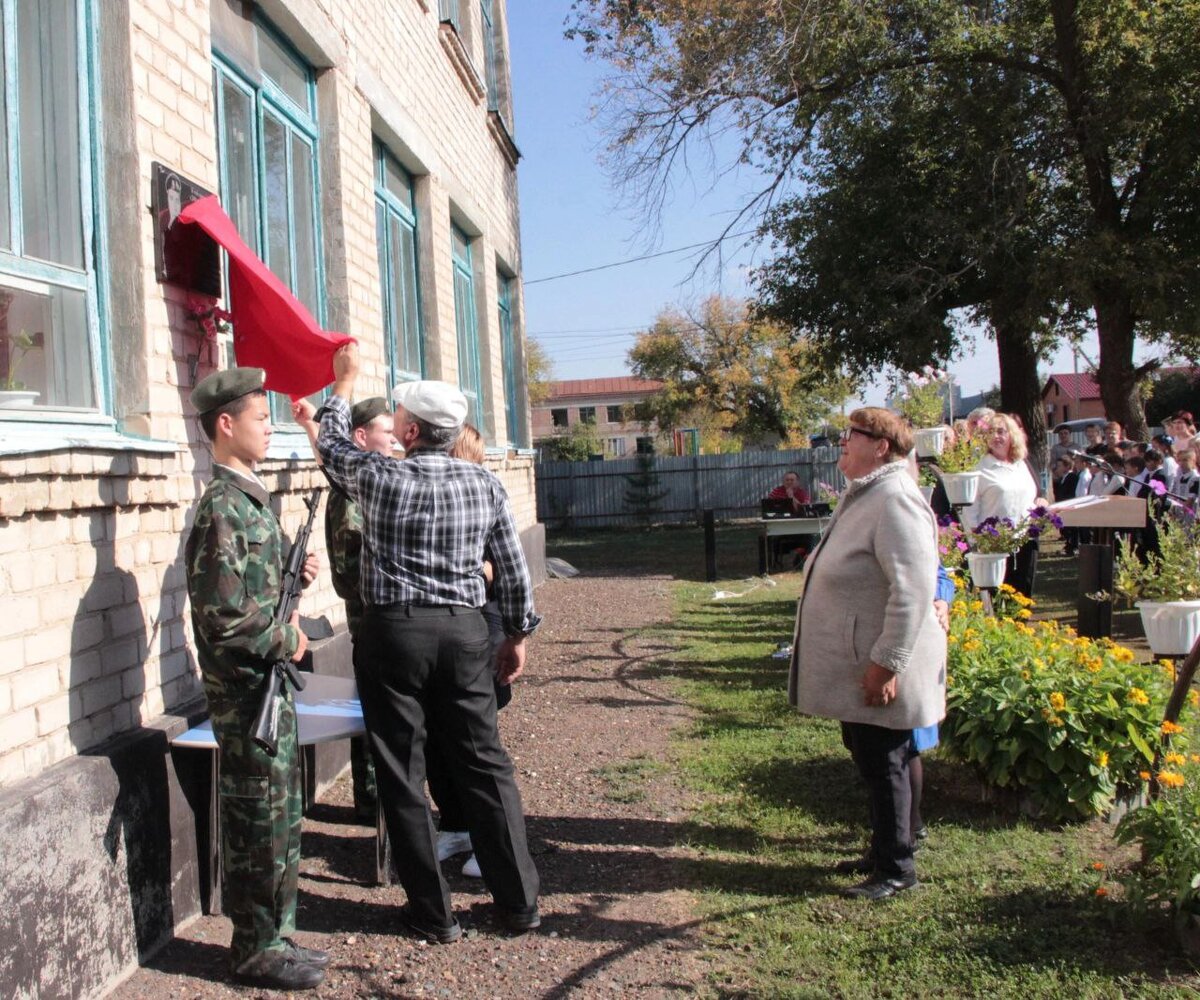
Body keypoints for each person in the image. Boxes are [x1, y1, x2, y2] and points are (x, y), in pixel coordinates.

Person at [316, 342, 541, 942]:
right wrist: (516, 635)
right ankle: (518, 903)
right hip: (466, 631)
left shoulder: (381, 476)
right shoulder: (486, 486)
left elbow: (332, 447)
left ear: (410, 431)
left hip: (394, 633)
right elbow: (513, 570)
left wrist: (343, 385)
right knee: (485, 763)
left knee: (400, 768)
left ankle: (433, 913)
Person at [184, 368, 327, 990]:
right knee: (256, 824)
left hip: (264, 691)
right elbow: (223, 619)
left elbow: (253, 592)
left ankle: (275, 935)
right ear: (226, 424)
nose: (270, 428)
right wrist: (287, 637)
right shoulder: (221, 508)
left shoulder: (247, 499)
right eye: (261, 418)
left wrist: (295, 578)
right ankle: (253, 951)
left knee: (279, 818)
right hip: (246, 696)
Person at [789, 408, 946, 901]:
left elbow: (913, 591)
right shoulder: (870, 492)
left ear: (880, 445)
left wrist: (888, 663)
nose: (841, 443)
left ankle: (897, 869)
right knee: (873, 757)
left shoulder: (896, 499)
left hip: (880, 662)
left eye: (849, 436)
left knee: (887, 762)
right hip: (863, 659)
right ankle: (885, 849)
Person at [294, 395, 395, 823]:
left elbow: (330, 463)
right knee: (376, 707)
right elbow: (350, 574)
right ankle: (372, 800)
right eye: (385, 433)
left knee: (379, 705)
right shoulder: (352, 498)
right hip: (371, 621)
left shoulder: (362, 482)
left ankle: (374, 797)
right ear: (360, 436)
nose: (393, 441)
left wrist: (311, 428)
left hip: (379, 623)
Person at [426, 423, 513, 880]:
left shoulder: (483, 496)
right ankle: (455, 825)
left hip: (481, 626)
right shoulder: (430, 496)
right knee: (438, 742)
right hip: (443, 632)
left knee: (477, 743)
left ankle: (487, 838)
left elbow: (502, 569)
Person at [963, 413, 1041, 595]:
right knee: (996, 598)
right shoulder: (979, 467)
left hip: (1025, 540)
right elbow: (969, 509)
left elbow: (1030, 496)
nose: (995, 437)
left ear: (1012, 435)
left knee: (1022, 594)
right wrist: (977, 542)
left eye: (1001, 432)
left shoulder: (1021, 464)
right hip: (993, 544)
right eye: (990, 432)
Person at [766, 471, 813, 568]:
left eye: (792, 480)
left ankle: (805, 561)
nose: (789, 482)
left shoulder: (802, 493)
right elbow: (767, 507)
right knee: (768, 537)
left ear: (797, 482)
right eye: (787, 480)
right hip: (780, 525)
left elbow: (804, 509)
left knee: (810, 536)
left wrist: (791, 497)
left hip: (799, 527)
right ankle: (771, 563)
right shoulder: (776, 491)